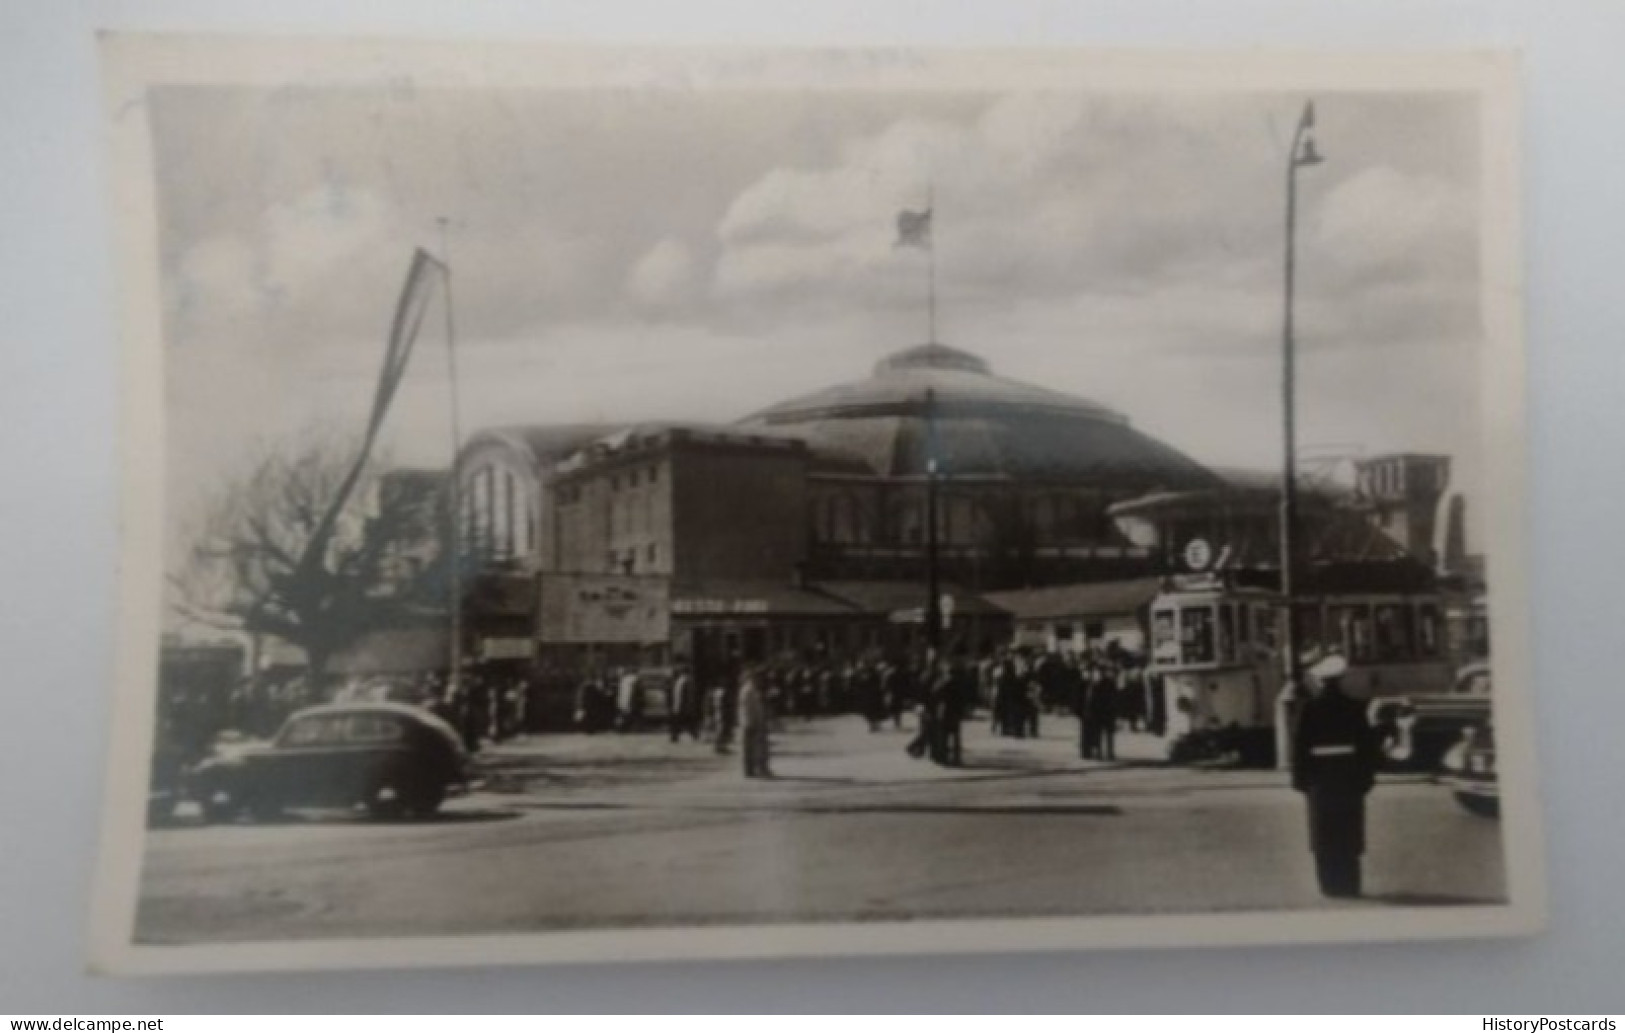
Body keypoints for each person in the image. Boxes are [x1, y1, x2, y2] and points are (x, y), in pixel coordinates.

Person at [1291, 653, 1379, 899]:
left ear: (1321, 681)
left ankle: (1329, 886)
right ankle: (1350, 885)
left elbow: (1300, 747)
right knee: (1347, 835)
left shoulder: (1310, 708)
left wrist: (1301, 780)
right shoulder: (1355, 707)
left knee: (1324, 835)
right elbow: (1366, 747)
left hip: (1320, 779)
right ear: (1340, 680)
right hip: (1348, 776)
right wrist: (1365, 779)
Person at [738, 669, 772, 778]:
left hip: (749, 721)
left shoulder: (748, 689)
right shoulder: (750, 690)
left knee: (750, 748)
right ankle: (758, 769)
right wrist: (758, 720)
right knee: (756, 747)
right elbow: (752, 708)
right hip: (751, 722)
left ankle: (750, 770)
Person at [668, 663, 702, 743]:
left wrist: (689, 706)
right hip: (678, 704)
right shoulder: (678, 680)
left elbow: (689, 695)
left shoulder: (688, 681)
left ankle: (694, 735)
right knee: (678, 721)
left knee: (687, 722)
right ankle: (675, 736)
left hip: (683, 705)